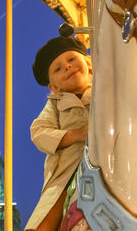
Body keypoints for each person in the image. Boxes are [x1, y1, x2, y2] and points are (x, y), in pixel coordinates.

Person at [25, 32, 92, 231]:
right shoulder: (54, 104)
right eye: (58, 69)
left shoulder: (105, 88)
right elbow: (39, 132)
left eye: (71, 59)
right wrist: (75, 134)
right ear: (53, 87)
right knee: (45, 222)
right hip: (70, 169)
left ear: (88, 63)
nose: (67, 66)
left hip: (111, 153)